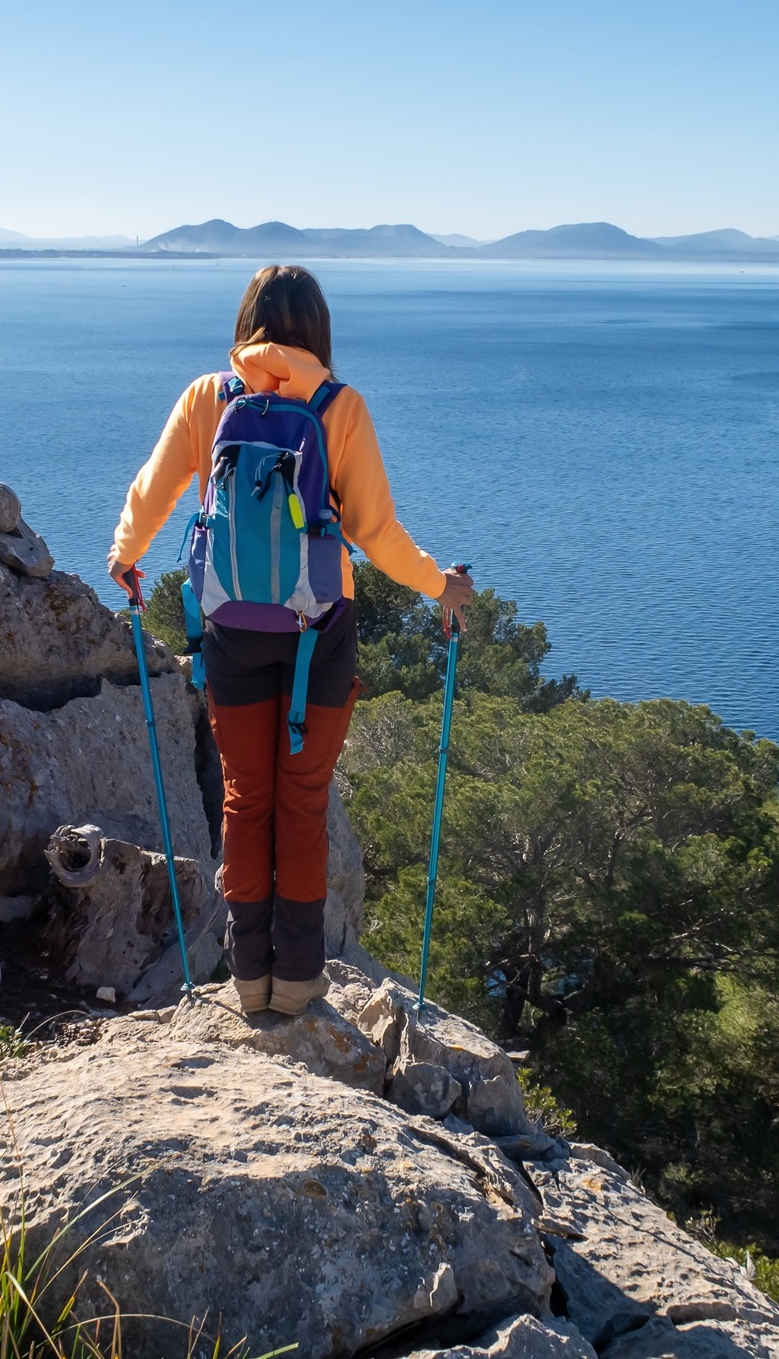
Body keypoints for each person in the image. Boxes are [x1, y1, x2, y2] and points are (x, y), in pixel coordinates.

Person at [110, 265, 473, 1016]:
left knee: (245, 800)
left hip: (231, 625)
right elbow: (374, 532)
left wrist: (126, 553)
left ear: (246, 323)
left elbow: (156, 487)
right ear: (319, 330)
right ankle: (298, 981)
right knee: (302, 803)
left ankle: (248, 980)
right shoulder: (338, 405)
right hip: (321, 632)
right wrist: (443, 587)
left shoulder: (210, 397)